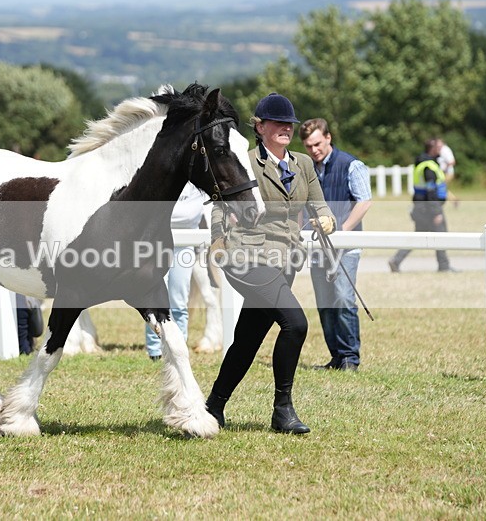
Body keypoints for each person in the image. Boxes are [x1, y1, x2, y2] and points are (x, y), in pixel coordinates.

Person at [204, 93, 335, 434]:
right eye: (277, 123)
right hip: (248, 257)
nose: (285, 129)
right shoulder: (245, 161)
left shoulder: (303, 165)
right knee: (296, 324)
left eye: (288, 124)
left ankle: (213, 406)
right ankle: (283, 410)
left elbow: (320, 205)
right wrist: (218, 240)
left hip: (286, 260)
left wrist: (326, 220)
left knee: (248, 339)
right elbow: (220, 204)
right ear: (260, 127)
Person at [299, 118, 372, 372]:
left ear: (328, 138)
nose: (314, 150)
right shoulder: (306, 169)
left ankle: (350, 358)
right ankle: (336, 358)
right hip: (317, 246)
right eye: (308, 146)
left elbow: (364, 201)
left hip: (345, 247)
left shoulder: (351, 165)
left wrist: (342, 230)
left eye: (317, 144)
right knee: (325, 302)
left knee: (342, 298)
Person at [144, 182, 206, 360]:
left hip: (185, 246)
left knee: (179, 301)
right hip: (157, 243)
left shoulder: (198, 184)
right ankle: (155, 349)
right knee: (154, 300)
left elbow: (188, 215)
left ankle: (179, 347)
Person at [389, 138, 458, 273]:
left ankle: (396, 260)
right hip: (429, 208)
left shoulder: (425, 163)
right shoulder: (429, 167)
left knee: (418, 236)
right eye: (438, 148)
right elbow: (430, 191)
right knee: (441, 235)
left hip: (422, 208)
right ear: (432, 149)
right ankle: (444, 266)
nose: (441, 150)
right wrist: (436, 212)